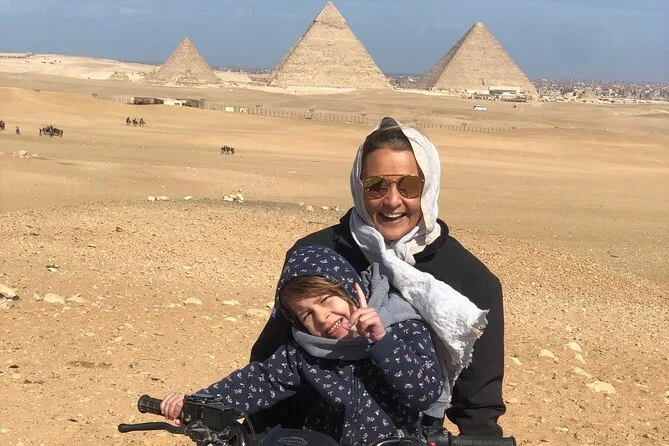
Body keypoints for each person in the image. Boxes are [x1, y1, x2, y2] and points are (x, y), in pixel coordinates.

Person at [251, 117, 506, 436]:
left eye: (408, 185)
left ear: (428, 187)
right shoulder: (315, 255)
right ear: (359, 186)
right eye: (376, 185)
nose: (392, 200)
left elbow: (478, 405)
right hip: (306, 434)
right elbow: (271, 354)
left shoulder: (468, 279)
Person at [160, 245, 444, 446]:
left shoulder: (401, 327)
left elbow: (426, 393)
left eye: (325, 299)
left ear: (349, 286)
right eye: (307, 314)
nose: (322, 317)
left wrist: (381, 342)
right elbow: (258, 381)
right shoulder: (306, 351)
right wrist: (200, 403)